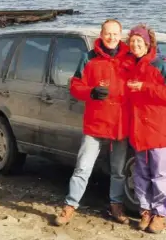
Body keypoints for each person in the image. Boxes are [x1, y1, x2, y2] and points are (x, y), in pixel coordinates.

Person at [54, 19, 131, 226]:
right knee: (83, 168)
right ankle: (70, 206)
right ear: (101, 34)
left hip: (121, 124)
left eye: (115, 34)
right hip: (95, 124)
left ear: (121, 35)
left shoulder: (129, 59)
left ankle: (116, 205)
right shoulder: (88, 58)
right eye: (108, 33)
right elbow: (75, 86)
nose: (112, 37)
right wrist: (91, 92)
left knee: (118, 170)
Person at [122, 24, 166, 234]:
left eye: (140, 42)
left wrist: (145, 87)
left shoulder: (161, 64)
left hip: (159, 128)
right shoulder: (128, 65)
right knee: (141, 172)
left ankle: (160, 215)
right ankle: (145, 210)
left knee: (160, 173)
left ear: (148, 44)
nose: (136, 45)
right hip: (139, 129)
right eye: (132, 41)